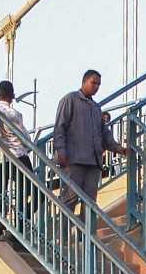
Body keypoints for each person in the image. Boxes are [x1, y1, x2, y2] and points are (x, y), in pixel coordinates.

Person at [52, 69, 127, 213]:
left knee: (90, 203)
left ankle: (86, 235)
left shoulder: (96, 107)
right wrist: (61, 151)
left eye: (98, 84)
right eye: (94, 83)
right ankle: (63, 235)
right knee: (70, 199)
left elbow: (104, 134)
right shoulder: (70, 100)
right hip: (74, 160)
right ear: (84, 81)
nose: (96, 87)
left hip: (93, 161)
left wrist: (119, 149)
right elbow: (59, 127)